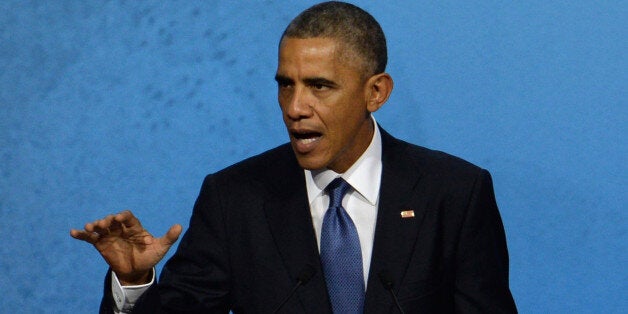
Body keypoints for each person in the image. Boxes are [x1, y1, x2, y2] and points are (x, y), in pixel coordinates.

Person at [71, 2, 517, 313]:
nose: (295, 107)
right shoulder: (234, 198)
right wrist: (133, 284)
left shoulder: (454, 193)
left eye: (319, 86)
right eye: (286, 84)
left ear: (375, 92)